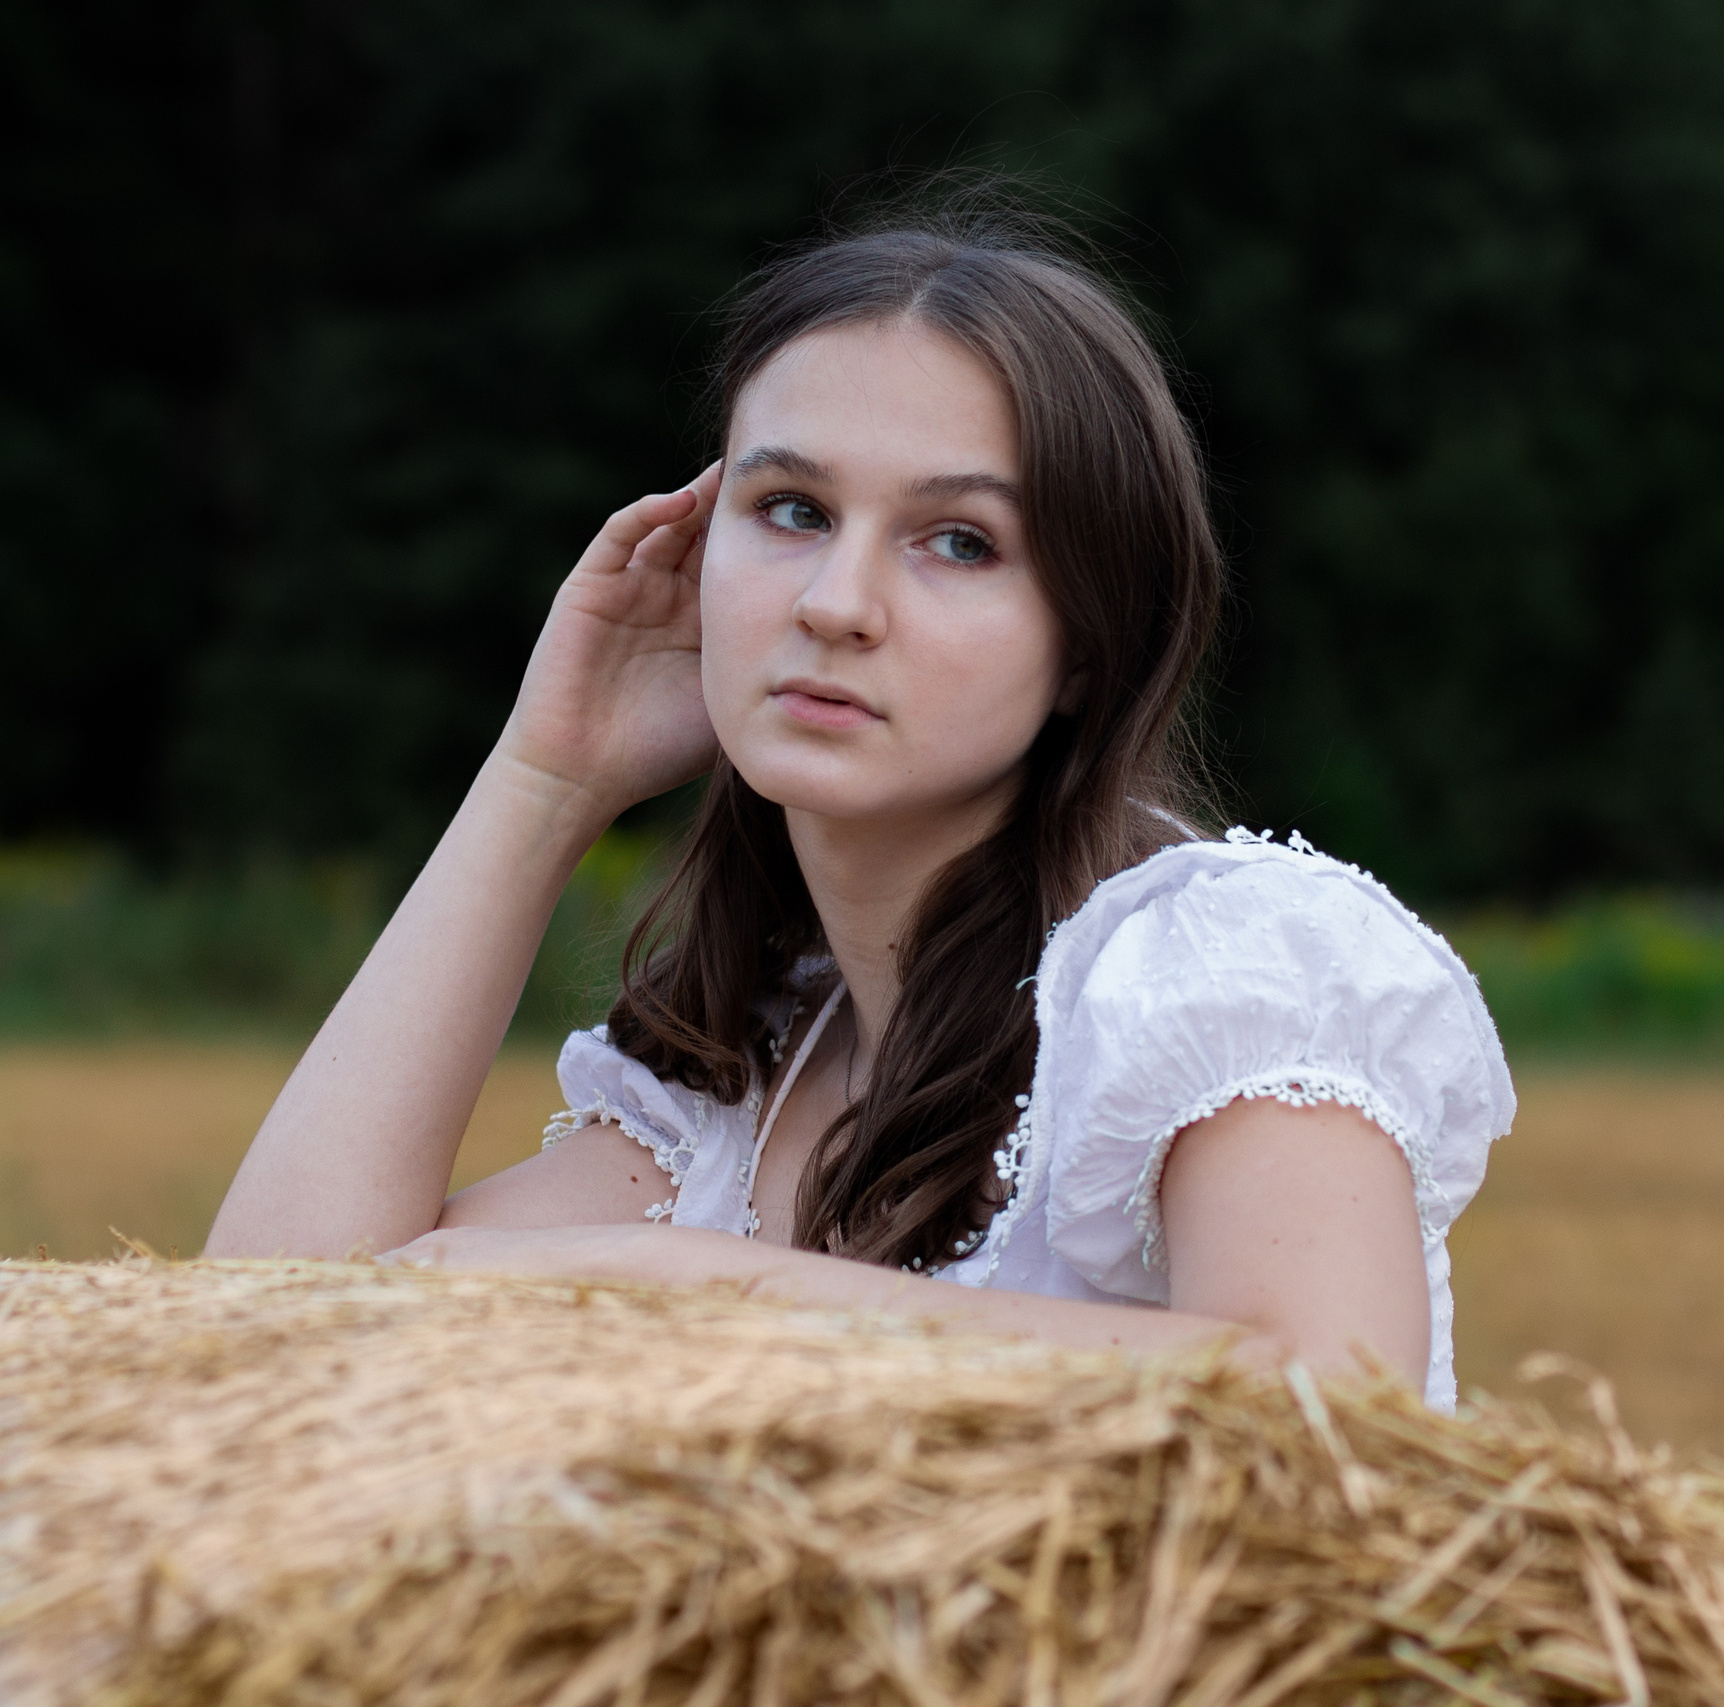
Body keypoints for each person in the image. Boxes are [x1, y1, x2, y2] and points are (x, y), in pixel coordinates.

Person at [204, 207, 1513, 1411]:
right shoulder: (741, 1093)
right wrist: (547, 782)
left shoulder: (1213, 971)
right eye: (791, 510)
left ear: (1093, 644)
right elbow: (260, 1335)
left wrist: (707, 1295)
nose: (835, 602)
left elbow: (1332, 1404)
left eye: (958, 542)